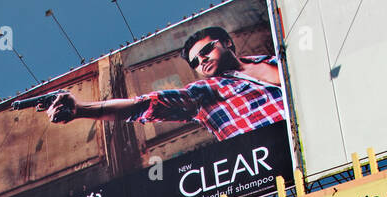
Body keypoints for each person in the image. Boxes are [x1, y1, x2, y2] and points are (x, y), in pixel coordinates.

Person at [43, 25, 285, 142]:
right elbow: (144, 106)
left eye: (207, 50)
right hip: (269, 162)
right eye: (195, 61)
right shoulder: (204, 94)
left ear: (227, 43)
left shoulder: (277, 59)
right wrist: (80, 110)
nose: (201, 60)